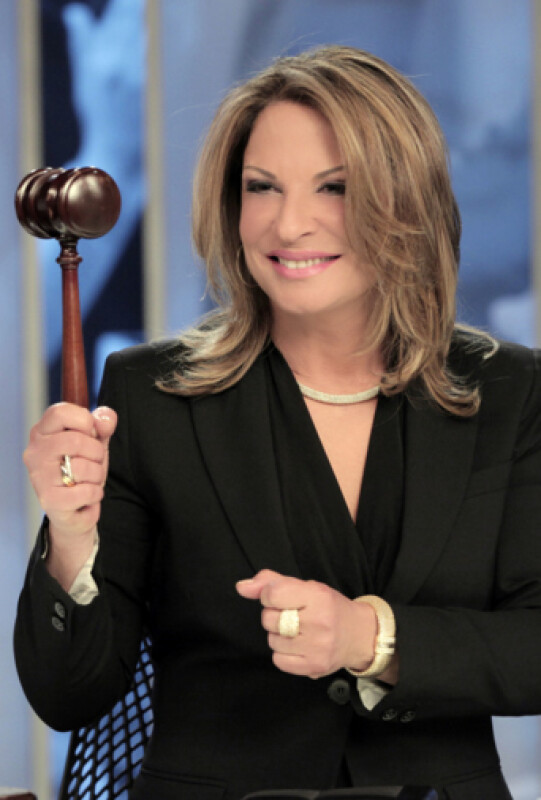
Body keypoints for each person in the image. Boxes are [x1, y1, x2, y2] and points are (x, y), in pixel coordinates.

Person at [14, 46, 541, 800]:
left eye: (335, 187)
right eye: (261, 187)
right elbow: (68, 694)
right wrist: (69, 538)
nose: (289, 225)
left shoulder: (512, 391)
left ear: (406, 201)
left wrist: (370, 639)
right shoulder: (149, 394)